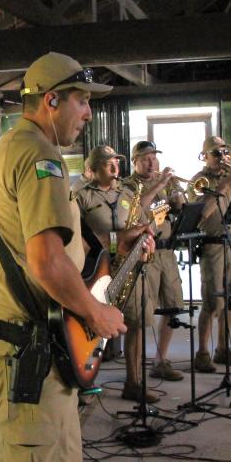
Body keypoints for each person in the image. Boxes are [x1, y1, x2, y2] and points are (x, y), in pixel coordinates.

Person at [0, 52, 152, 462]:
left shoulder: (4, 151)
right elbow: (47, 262)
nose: (88, 113)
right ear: (51, 101)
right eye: (81, 101)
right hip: (29, 356)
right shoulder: (39, 156)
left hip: (39, 349)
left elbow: (56, 251)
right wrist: (97, 313)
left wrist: (119, 248)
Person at [76, 145, 159, 402]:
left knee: (136, 322)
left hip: (128, 267)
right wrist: (118, 240)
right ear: (93, 169)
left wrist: (146, 241)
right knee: (89, 329)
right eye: (108, 163)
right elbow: (78, 239)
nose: (115, 167)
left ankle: (134, 383)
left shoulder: (128, 193)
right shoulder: (81, 197)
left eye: (117, 162)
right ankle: (83, 383)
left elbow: (143, 224)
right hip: (94, 271)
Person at [190, 136, 231, 373]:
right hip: (213, 245)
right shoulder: (199, 180)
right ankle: (202, 353)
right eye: (216, 153)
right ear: (204, 156)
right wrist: (225, 184)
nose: (222, 156)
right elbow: (202, 213)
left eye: (225, 151)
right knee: (212, 302)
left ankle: (223, 348)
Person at [126, 141, 186, 382]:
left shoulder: (164, 183)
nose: (152, 163)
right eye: (146, 159)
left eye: (154, 158)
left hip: (166, 252)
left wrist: (176, 192)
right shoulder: (128, 185)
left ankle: (161, 360)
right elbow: (137, 208)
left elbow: (178, 208)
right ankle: (135, 373)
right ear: (135, 162)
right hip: (145, 253)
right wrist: (160, 184)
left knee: (172, 306)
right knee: (141, 314)